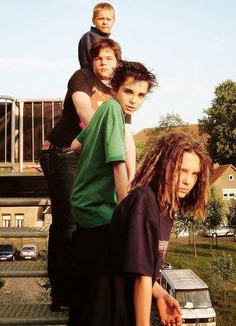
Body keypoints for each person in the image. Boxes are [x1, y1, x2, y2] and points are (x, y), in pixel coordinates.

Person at [73, 132, 212, 326]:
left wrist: (161, 294)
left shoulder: (164, 208)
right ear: (165, 167)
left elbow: (135, 266)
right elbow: (141, 277)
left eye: (194, 173)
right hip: (110, 315)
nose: (188, 181)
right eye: (181, 170)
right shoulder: (144, 201)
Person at [40, 38, 131, 311]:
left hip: (90, 157)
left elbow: (125, 137)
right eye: (99, 58)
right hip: (63, 151)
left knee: (90, 222)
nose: (104, 63)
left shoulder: (118, 92)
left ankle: (85, 290)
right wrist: (105, 136)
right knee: (67, 221)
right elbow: (84, 109)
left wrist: (131, 173)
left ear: (118, 63)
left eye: (110, 58)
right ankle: (61, 295)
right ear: (92, 61)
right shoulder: (82, 78)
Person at [69, 61, 157, 325]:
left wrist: (92, 157)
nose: (134, 100)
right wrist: (127, 208)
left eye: (141, 95)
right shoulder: (114, 112)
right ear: (116, 88)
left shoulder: (102, 112)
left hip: (84, 207)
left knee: (86, 288)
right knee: (109, 292)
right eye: (129, 91)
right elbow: (118, 163)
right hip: (100, 212)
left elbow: (75, 145)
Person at [78, 2, 115, 71]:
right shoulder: (90, 37)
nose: (105, 22)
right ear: (93, 21)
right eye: (101, 19)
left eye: (108, 19)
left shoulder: (111, 42)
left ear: (113, 21)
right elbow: (88, 64)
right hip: (92, 79)